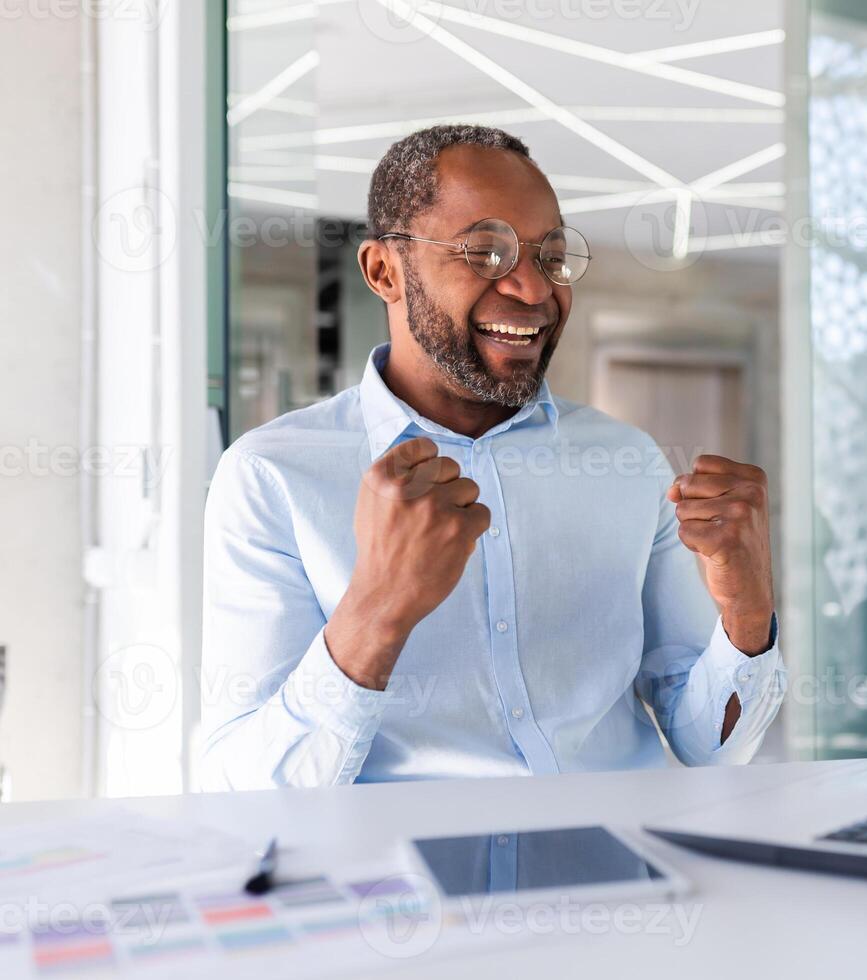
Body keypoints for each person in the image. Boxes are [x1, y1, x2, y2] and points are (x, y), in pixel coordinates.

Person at [200, 125, 786, 789]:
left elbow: (712, 748)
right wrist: (378, 609)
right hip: (404, 878)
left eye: (552, 257)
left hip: (621, 864)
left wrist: (746, 615)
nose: (535, 292)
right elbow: (243, 788)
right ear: (384, 271)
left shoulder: (628, 462)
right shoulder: (272, 477)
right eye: (485, 254)